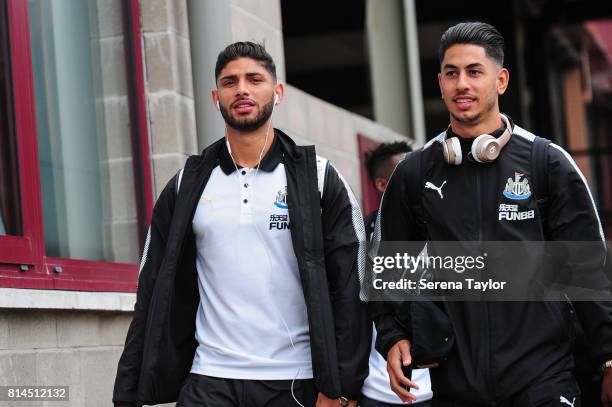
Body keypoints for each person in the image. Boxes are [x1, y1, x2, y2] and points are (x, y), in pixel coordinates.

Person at [112, 41, 370, 407]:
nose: (242, 89)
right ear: (216, 97)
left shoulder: (318, 178)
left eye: (254, 79)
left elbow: (352, 286)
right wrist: (128, 391)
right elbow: (153, 286)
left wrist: (342, 386)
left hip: (295, 381)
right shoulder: (189, 182)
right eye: (230, 82)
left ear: (277, 92)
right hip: (210, 378)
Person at [373, 22, 612, 406]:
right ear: (440, 82)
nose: (461, 84)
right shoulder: (415, 173)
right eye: (451, 73)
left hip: (543, 381)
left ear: (501, 81)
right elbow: (390, 266)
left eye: (474, 72)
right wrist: (393, 336)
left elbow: (587, 271)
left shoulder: (545, 163)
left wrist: (608, 355)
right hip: (455, 385)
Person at [362, 141, 433, 407]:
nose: (416, 177)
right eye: (404, 172)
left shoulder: (443, 228)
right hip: (376, 388)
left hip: (440, 386)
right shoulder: (359, 236)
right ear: (382, 185)